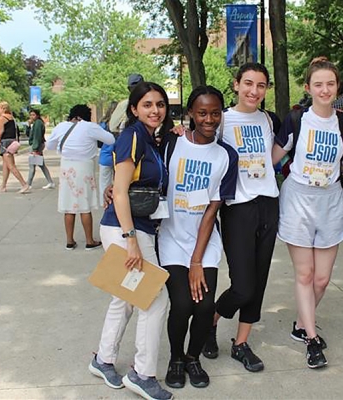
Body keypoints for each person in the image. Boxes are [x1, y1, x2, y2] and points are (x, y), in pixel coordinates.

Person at [90, 82, 173, 400]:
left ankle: (103, 359)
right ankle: (142, 374)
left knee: (125, 299)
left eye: (160, 104)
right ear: (135, 109)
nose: (155, 110)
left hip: (137, 228)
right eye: (148, 104)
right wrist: (131, 240)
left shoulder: (150, 138)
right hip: (126, 230)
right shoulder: (132, 136)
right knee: (155, 300)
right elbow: (120, 190)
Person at [202, 63, 281, 373]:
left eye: (261, 85)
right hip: (237, 207)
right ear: (235, 85)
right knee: (242, 285)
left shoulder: (268, 120)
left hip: (268, 202)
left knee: (258, 281)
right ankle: (211, 320)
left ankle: (241, 343)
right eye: (248, 83)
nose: (254, 91)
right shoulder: (222, 120)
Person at [273, 57, 343, 369]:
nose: (324, 89)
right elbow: (273, 158)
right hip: (298, 201)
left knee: (321, 278)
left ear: (337, 87)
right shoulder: (296, 120)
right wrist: (289, 170)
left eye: (330, 84)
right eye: (318, 84)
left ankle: (300, 321)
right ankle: (311, 339)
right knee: (305, 274)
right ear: (308, 87)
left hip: (330, 200)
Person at [157, 86, 238, 389]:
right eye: (202, 112)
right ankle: (176, 357)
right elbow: (141, 169)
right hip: (171, 237)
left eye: (215, 113)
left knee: (204, 306)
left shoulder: (226, 156)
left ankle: (193, 357)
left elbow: (212, 209)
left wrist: (197, 259)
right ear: (190, 113)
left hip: (204, 241)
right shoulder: (171, 142)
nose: (209, 119)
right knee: (181, 303)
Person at [46, 105, 114, 250]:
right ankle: (90, 241)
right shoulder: (89, 127)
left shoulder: (61, 126)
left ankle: (69, 241)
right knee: (84, 205)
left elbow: (50, 145)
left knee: (68, 205)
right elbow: (110, 139)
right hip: (84, 167)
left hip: (66, 167)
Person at [0, 101, 30, 193]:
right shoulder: (11, 118)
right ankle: (3, 186)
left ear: (3, 109)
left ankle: (24, 184)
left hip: (5, 143)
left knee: (11, 165)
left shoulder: (1, 118)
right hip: (12, 142)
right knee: (6, 165)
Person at [27, 108, 55, 190]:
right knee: (41, 165)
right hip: (37, 145)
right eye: (31, 115)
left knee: (32, 165)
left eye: (33, 115)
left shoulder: (38, 123)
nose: (32, 116)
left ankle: (28, 184)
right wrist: (28, 126)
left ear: (37, 115)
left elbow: (37, 137)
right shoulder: (35, 123)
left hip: (36, 146)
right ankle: (50, 182)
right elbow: (29, 134)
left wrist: (35, 149)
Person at [98, 101, 118, 202]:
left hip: (105, 156)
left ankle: (105, 204)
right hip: (118, 156)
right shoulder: (121, 124)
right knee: (118, 183)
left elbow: (99, 142)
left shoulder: (103, 124)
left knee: (104, 183)